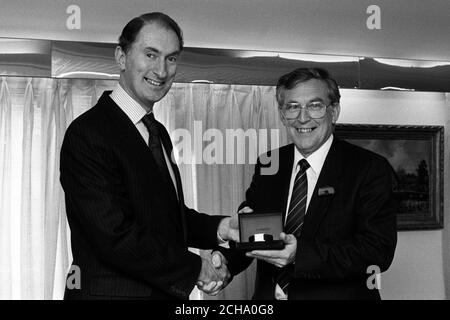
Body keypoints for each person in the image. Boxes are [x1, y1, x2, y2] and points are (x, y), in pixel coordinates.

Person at [60, 12, 237, 300]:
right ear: (121, 57)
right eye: (151, 54)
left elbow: (162, 217)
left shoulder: (158, 133)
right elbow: (114, 235)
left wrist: (221, 228)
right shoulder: (88, 134)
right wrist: (196, 268)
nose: (162, 70)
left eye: (171, 58)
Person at [218, 68, 397, 300]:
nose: (303, 118)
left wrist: (299, 255)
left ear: (334, 111)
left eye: (315, 106)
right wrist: (223, 263)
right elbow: (255, 234)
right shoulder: (269, 164)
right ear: (282, 115)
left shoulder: (370, 169)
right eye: (293, 107)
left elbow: (377, 252)